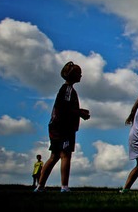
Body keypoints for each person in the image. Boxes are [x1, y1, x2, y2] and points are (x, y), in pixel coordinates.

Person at [35, 61, 90, 193]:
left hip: (56, 127)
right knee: (66, 155)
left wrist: (78, 111)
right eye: (79, 73)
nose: (81, 75)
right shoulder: (68, 90)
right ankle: (64, 186)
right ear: (73, 75)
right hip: (64, 128)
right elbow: (65, 108)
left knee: (54, 155)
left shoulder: (65, 90)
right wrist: (80, 113)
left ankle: (40, 186)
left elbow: (65, 107)